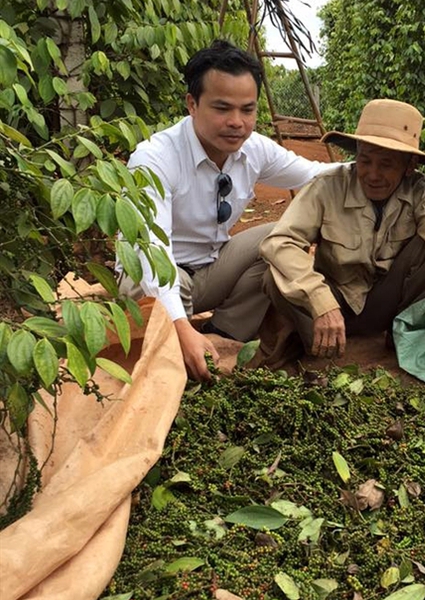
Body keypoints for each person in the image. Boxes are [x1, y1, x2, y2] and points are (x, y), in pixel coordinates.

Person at [116, 40, 339, 380]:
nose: (237, 122)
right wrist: (179, 324)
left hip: (209, 270)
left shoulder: (253, 149)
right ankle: (184, 340)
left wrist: (374, 166)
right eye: (222, 108)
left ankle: (224, 335)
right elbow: (151, 252)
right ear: (192, 104)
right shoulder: (155, 159)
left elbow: (314, 174)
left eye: (247, 110)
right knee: (139, 282)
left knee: (277, 237)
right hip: (158, 274)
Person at [259, 98, 425, 361]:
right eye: (365, 160)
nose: (372, 174)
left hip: (383, 305)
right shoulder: (328, 186)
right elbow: (280, 242)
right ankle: (318, 339)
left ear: (409, 166)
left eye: (387, 164)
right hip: (332, 302)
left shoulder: (420, 192)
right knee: (274, 275)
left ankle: (397, 334)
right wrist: (320, 300)